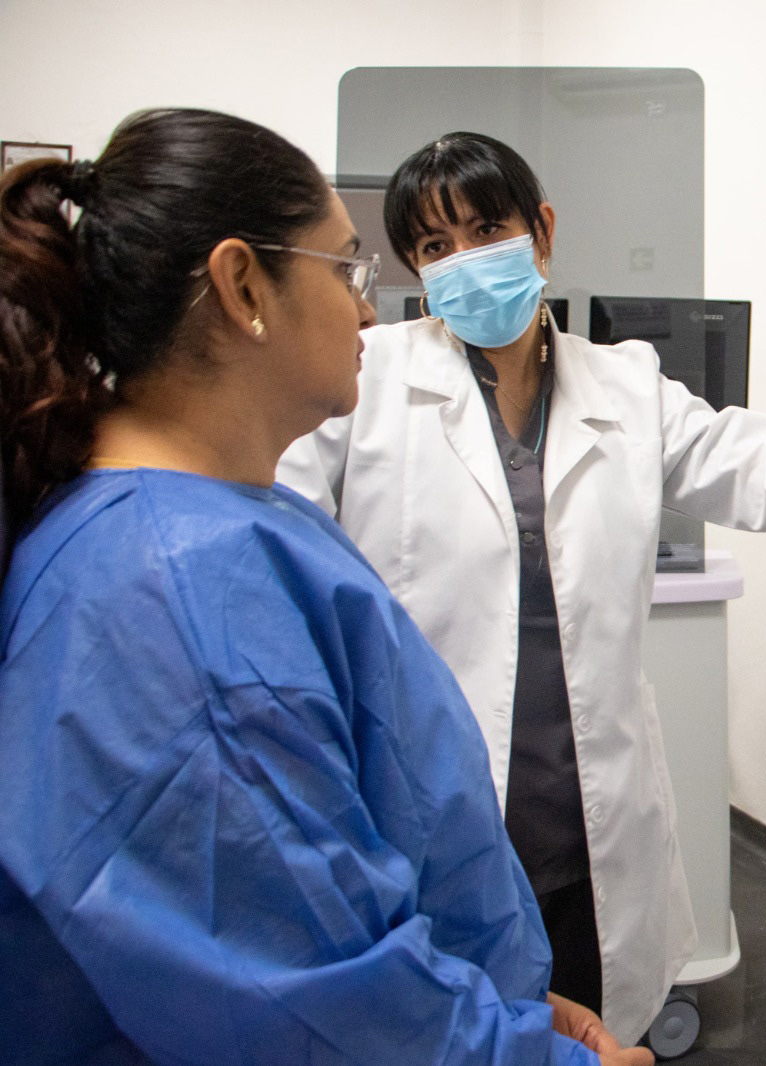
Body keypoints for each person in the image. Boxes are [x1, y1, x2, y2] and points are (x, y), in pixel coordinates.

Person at [276, 130, 766, 1045]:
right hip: (432, 823)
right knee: (451, 1037)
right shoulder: (366, 381)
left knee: (590, 1026)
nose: (465, 259)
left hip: (584, 824)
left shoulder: (625, 384)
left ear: (542, 232)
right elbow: (281, 549)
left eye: (486, 230)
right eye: (436, 245)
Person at [0, 108, 652, 1066]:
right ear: (243, 286)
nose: (369, 311)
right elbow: (314, 1008)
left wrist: (502, 999)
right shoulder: (177, 594)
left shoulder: (233, 524)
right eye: (348, 270)